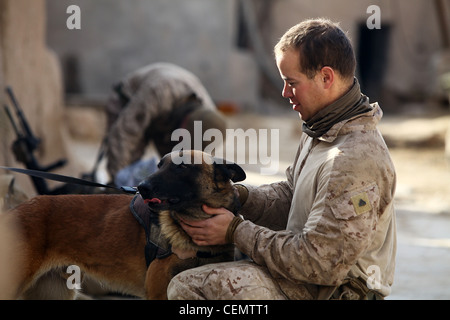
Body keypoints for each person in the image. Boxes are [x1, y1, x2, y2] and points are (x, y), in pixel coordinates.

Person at [167, 18, 397, 300]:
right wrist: (234, 196)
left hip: (335, 291)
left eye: (291, 83)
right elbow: (290, 196)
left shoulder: (353, 160)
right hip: (306, 277)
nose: (285, 93)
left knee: (188, 286)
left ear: (326, 77)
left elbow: (320, 263)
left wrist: (235, 231)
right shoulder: (323, 130)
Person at [103, 62, 227, 183]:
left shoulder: (209, 116)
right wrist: (119, 181)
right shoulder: (158, 91)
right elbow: (123, 134)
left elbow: (199, 159)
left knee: (177, 166)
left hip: (168, 113)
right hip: (128, 100)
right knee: (128, 165)